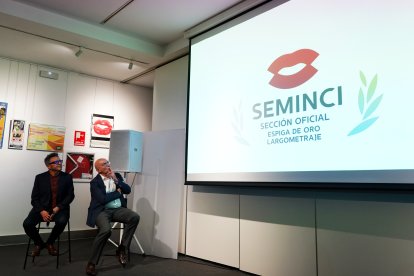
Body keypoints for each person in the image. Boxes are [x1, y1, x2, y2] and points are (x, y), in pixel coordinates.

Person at [85, 158, 140, 276]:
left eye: (108, 163)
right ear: (98, 169)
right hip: (102, 211)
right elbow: (103, 199)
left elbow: (128, 190)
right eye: (104, 164)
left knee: (134, 217)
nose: (108, 165)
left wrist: (115, 179)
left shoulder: (117, 176)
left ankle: (122, 248)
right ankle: (92, 263)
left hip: (118, 209)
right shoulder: (95, 182)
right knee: (105, 230)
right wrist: (118, 192)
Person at [23, 152, 75, 257]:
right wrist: (41, 211)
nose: (60, 163)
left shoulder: (67, 177)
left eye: (60, 161)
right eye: (56, 162)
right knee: (27, 224)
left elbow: (70, 196)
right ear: (48, 165)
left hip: (60, 209)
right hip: (42, 208)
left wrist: (58, 207)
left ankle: (50, 243)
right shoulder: (39, 178)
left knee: (61, 221)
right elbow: (34, 198)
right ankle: (39, 243)